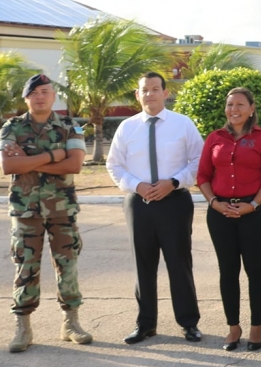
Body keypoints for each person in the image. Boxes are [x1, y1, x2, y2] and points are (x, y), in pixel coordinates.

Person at [107, 71, 205, 345]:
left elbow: (199, 161)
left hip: (174, 202)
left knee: (179, 263)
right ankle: (146, 324)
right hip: (139, 203)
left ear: (165, 93)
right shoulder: (127, 127)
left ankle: (189, 323)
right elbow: (114, 165)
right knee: (143, 266)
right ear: (137, 95)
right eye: (144, 90)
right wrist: (136, 186)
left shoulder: (182, 124)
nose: (149, 94)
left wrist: (173, 182)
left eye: (154, 89)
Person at [2, 74, 88, 352]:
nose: (40, 96)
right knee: (25, 267)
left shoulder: (69, 126)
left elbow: (74, 165)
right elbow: (8, 166)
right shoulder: (11, 127)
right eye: (34, 92)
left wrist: (28, 162)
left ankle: (71, 323)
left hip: (62, 209)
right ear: (26, 98)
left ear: (53, 96)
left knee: (68, 265)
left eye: (46, 92)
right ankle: (23, 328)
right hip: (25, 210)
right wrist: (53, 156)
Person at [197, 87, 261, 352]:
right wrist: (214, 203)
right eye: (230, 104)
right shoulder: (215, 138)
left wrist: (253, 205)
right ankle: (233, 326)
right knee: (228, 271)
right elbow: (202, 176)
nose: (234, 109)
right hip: (220, 212)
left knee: (255, 269)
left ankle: (256, 326)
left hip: (254, 213)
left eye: (240, 104)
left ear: (251, 108)